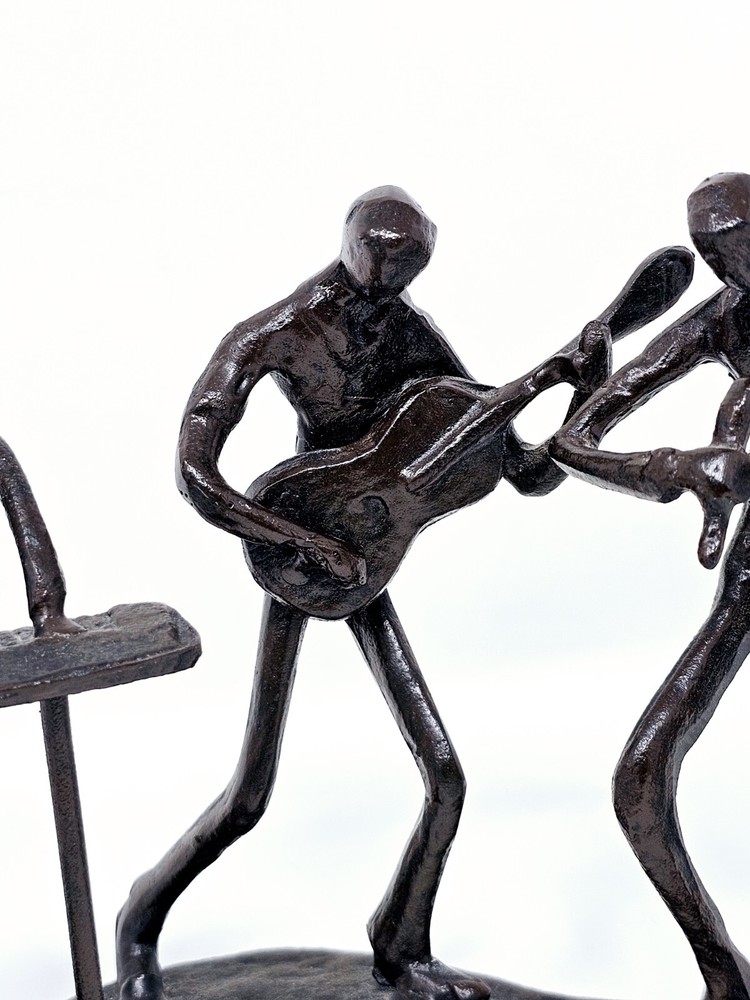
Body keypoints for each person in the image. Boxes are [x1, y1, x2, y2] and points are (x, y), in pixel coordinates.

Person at [115, 186, 613, 1000]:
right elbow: (196, 474)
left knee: (445, 777)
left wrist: (586, 392)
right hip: (304, 555)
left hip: (368, 561)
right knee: (250, 796)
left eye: (406, 266)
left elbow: (525, 471)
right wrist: (302, 540)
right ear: (348, 241)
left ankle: (401, 948)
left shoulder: (414, 336)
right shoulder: (276, 331)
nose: (386, 280)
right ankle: (139, 923)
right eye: (377, 258)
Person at [551, 171, 750, 1000]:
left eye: (739, 242)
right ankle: (725, 977)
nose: (731, 265)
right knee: (642, 777)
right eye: (716, 255)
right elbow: (573, 440)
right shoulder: (720, 322)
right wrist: (675, 467)